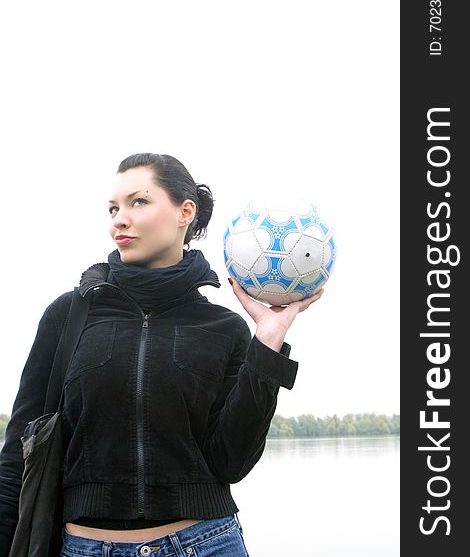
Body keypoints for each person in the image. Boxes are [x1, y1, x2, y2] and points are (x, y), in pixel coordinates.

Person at [0, 153, 323, 557]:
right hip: (84, 547)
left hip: (205, 544)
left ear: (185, 212)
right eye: (114, 208)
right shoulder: (67, 316)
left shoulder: (223, 329)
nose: (119, 218)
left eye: (139, 202)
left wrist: (268, 343)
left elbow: (232, 462)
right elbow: (19, 455)